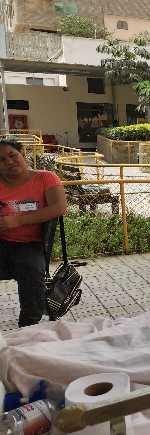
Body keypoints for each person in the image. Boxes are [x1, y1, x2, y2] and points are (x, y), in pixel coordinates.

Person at [0, 139, 67, 327]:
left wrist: (18, 221)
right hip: (2, 241)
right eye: (2, 160)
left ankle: (28, 328)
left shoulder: (45, 178)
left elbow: (59, 207)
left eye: (12, 155)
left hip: (30, 244)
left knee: (32, 272)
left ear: (22, 154)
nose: (9, 161)